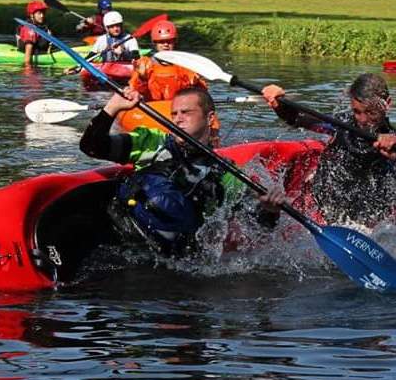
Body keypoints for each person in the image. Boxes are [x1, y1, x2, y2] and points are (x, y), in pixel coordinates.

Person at [80, 86, 284, 254]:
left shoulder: (226, 174)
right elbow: (92, 147)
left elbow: (256, 228)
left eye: (186, 113)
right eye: (174, 114)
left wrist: (271, 211)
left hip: (169, 259)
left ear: (210, 118)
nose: (177, 119)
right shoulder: (152, 141)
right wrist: (113, 108)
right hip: (121, 238)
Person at [262, 73, 396, 226]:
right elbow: (298, 119)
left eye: (371, 112)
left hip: (368, 218)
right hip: (325, 207)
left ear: (387, 103)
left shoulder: (392, 142)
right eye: (357, 112)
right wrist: (279, 104)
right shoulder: (340, 124)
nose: (363, 120)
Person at [129, 20, 220, 142]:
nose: (165, 45)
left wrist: (196, 83)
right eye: (161, 42)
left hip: (178, 111)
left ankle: (213, 144)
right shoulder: (145, 64)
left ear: (174, 42)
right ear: (155, 43)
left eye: (169, 41)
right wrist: (142, 78)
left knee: (213, 122)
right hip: (152, 112)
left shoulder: (186, 66)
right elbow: (135, 93)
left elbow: (202, 96)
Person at [16, 0, 52, 65]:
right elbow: (28, 50)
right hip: (30, 53)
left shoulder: (42, 26)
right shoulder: (30, 30)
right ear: (31, 15)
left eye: (43, 13)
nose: (42, 16)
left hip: (42, 51)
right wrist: (28, 68)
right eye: (39, 13)